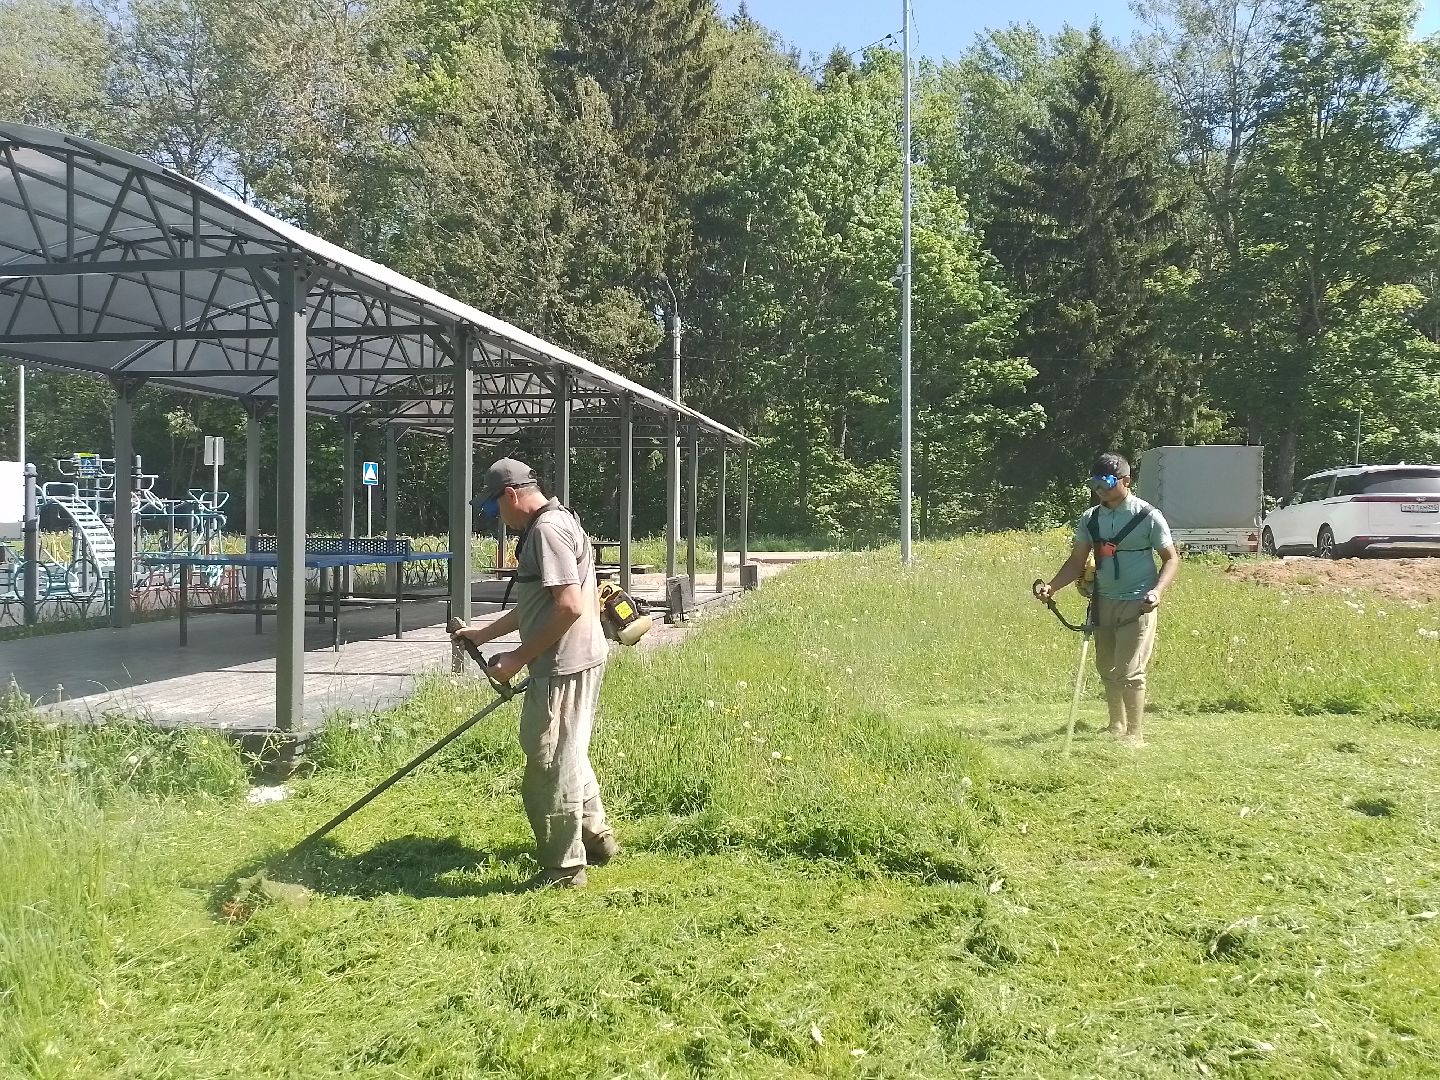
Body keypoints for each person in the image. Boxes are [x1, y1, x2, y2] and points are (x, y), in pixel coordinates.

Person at [450, 458, 616, 888]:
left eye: (491, 511)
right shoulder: (558, 520)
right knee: (568, 751)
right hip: (578, 656)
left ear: (511, 494)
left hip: (563, 663)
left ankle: (564, 868)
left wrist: (517, 658)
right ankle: (596, 837)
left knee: (549, 763)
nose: (495, 520)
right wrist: (485, 633)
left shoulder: (545, 531)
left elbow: (569, 606)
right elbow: (537, 604)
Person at [1034, 452, 1179, 747]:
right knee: (1107, 667)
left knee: (1130, 670)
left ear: (1125, 481)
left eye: (1106, 481)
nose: (1099, 488)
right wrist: (1052, 587)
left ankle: (1135, 735)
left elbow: (1171, 559)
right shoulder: (1091, 519)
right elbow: (1077, 562)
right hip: (1102, 601)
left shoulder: (1148, 516)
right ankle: (1116, 724)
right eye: (1095, 482)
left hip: (1138, 603)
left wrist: (1157, 592)